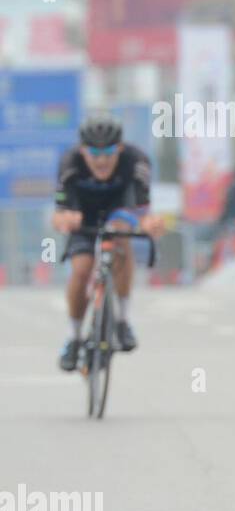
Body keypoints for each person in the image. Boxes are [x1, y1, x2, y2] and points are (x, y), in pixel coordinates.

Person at [51, 116, 164, 370]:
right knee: (81, 269)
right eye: (94, 152)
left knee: (120, 238)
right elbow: (59, 213)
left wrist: (148, 224)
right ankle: (74, 337)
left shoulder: (137, 161)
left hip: (119, 211)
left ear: (120, 149)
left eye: (109, 152)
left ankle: (122, 320)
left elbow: (143, 209)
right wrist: (64, 220)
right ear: (83, 150)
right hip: (83, 216)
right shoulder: (70, 163)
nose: (101, 160)